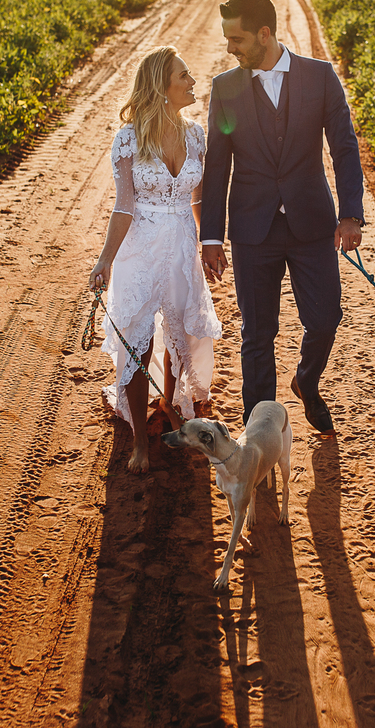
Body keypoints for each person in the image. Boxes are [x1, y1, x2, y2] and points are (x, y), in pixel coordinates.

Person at [200, 0, 365, 435]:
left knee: (326, 318)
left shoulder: (319, 77)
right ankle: (259, 432)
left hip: (311, 223)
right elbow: (217, 166)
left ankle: (306, 383)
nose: (229, 48)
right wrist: (211, 236)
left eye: (236, 39)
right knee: (258, 335)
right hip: (253, 229)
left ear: (265, 34)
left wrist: (351, 213)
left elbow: (345, 149)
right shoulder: (225, 87)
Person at [90, 46, 222, 472]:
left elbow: (198, 198)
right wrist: (105, 260)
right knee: (138, 340)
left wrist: (212, 244)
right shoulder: (129, 138)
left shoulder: (196, 134)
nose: (193, 82)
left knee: (182, 331)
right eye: (184, 75)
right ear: (162, 87)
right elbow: (124, 206)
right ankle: (138, 444)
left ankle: (168, 404)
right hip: (140, 249)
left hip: (182, 243)